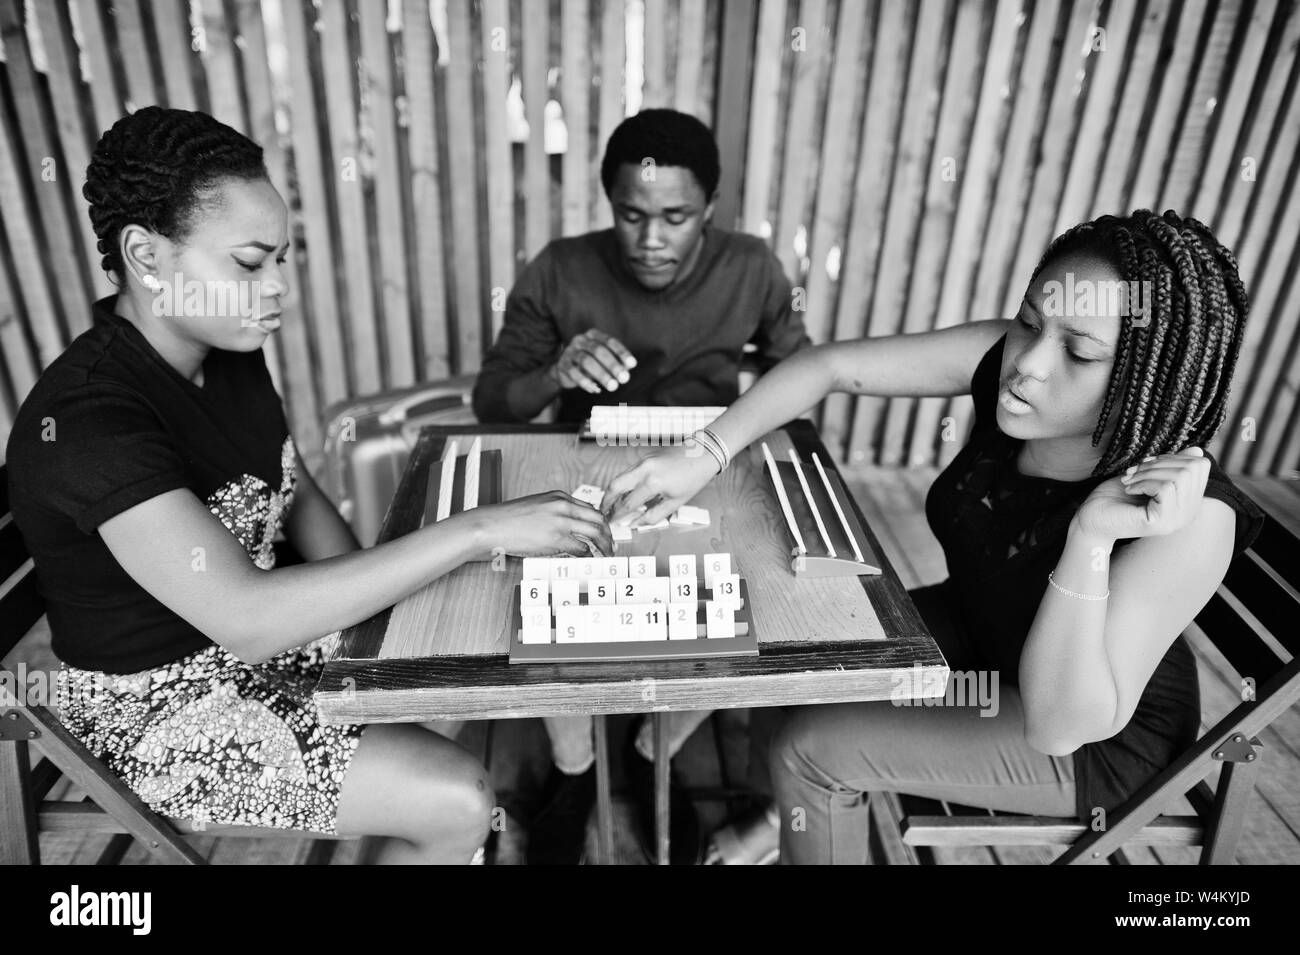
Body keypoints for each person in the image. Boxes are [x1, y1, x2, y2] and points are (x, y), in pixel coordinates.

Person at [6, 107, 613, 864]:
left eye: (283, 259)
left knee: (468, 636)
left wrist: (379, 637)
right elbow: (249, 619)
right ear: (146, 254)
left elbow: (294, 490)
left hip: (264, 646)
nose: (279, 288)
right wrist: (479, 529)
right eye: (251, 263)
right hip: (159, 712)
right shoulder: (92, 421)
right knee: (460, 799)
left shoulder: (223, 347)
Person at [605, 209, 1265, 864]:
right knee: (796, 650)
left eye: (1079, 352)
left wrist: (1090, 537)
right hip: (981, 636)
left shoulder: (1194, 517)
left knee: (811, 745)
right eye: (1030, 322)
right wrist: (705, 452)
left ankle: (792, 801)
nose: (1028, 364)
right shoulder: (1012, 363)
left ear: (1150, 383)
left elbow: (1058, 724)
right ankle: (782, 813)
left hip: (1084, 736)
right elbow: (831, 366)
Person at [473, 108, 811, 864]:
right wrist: (554, 371)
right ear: (608, 204)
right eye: (631, 215)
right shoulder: (561, 267)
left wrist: (735, 416)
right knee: (547, 610)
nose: (652, 239)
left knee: (754, 603)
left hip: (708, 464)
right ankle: (576, 765)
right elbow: (493, 402)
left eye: (676, 217)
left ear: (711, 212)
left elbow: (802, 373)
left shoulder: (753, 266)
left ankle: (656, 745)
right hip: (582, 467)